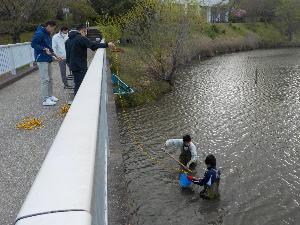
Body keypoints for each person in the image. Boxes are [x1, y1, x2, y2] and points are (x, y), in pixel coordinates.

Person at [65, 24, 115, 95]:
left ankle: (76, 99)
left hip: (72, 66)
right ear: (83, 30)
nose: (86, 34)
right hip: (80, 66)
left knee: (77, 83)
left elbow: (68, 56)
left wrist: (69, 64)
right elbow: (93, 46)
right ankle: (79, 101)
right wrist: (107, 44)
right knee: (81, 85)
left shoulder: (68, 40)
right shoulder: (81, 38)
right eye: (85, 32)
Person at [31, 20, 62, 106]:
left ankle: (50, 95)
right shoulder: (39, 33)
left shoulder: (47, 34)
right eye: (52, 28)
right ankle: (45, 99)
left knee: (50, 78)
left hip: (48, 58)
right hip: (41, 58)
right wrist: (43, 49)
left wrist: (56, 56)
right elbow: (33, 44)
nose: (53, 30)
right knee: (45, 79)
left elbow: (49, 47)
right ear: (48, 26)